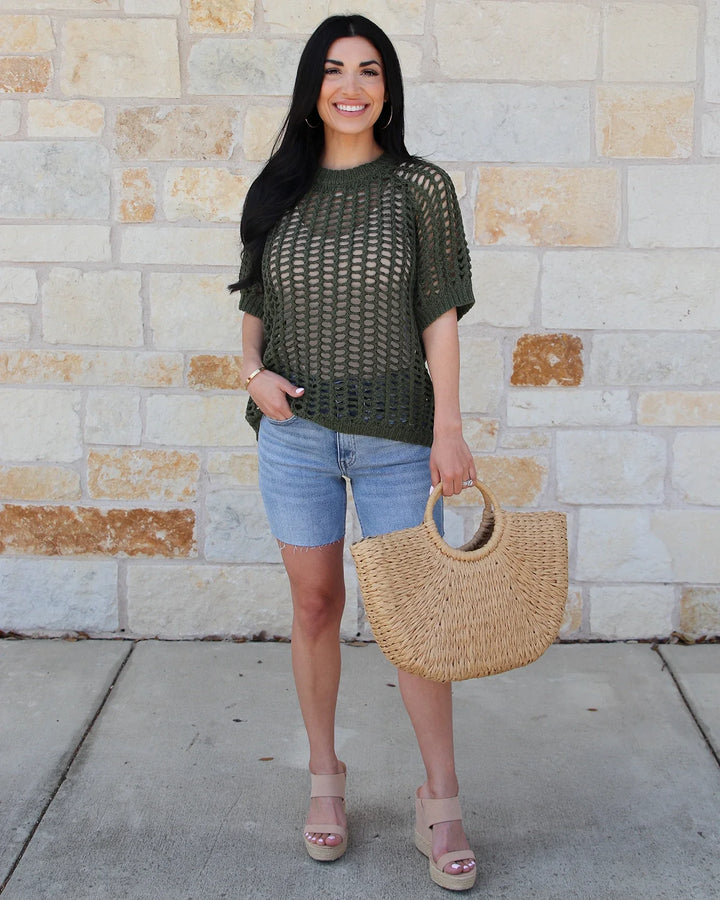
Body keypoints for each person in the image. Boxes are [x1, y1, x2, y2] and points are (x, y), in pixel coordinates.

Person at [230, 13, 477, 892]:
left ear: (387, 88)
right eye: (335, 70)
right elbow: (253, 306)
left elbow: (439, 315)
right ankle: (325, 779)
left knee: (414, 620)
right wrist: (253, 373)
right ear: (313, 87)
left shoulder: (420, 187)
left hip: (397, 436)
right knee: (315, 605)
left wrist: (449, 427)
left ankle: (439, 798)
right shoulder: (277, 189)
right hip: (295, 436)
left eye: (369, 70)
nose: (351, 86)